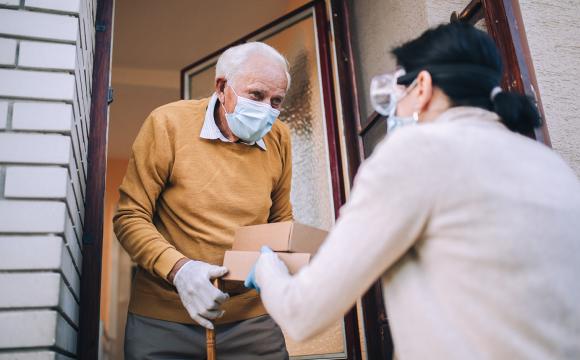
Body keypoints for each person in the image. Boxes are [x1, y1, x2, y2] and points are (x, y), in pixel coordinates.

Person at [245, 23, 580, 359]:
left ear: (422, 86)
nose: (395, 110)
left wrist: (265, 268)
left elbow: (303, 313)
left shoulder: (415, 151)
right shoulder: (549, 163)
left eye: (398, 94)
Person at [114, 42, 293, 359]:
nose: (267, 109)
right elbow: (129, 217)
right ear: (222, 87)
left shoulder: (279, 137)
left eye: (276, 100)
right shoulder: (167, 124)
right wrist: (180, 271)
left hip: (253, 322)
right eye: (256, 95)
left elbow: (281, 223)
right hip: (163, 320)